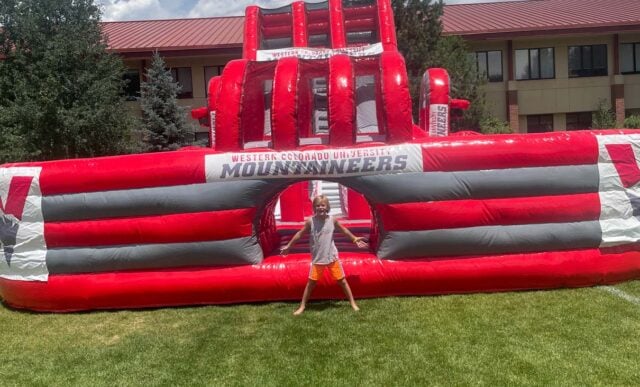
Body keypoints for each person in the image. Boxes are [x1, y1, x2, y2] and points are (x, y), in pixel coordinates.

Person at [280, 194, 368, 315]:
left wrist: (354, 239)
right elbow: (299, 234)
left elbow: (344, 230)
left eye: (323, 205)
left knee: (342, 281)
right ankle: (302, 306)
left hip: (331, 257)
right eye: (318, 205)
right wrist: (289, 246)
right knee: (311, 283)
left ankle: (353, 303)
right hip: (318, 259)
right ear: (314, 207)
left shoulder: (332, 220)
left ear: (327, 207)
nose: (320, 207)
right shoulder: (311, 221)